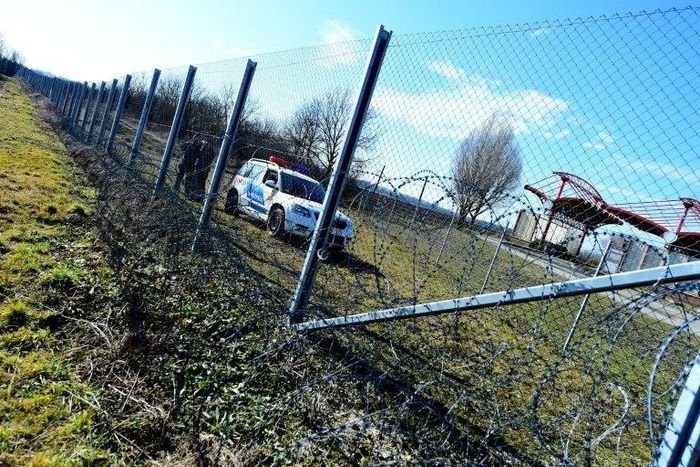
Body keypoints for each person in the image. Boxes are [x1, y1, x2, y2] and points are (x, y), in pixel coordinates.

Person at [174, 133, 217, 202]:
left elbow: (203, 156)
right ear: (195, 138)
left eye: (201, 139)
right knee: (180, 177)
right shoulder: (190, 144)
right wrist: (190, 143)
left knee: (189, 180)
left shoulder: (200, 147)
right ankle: (176, 190)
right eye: (199, 138)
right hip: (183, 164)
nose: (200, 140)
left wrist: (205, 146)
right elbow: (182, 148)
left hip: (191, 166)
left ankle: (188, 195)